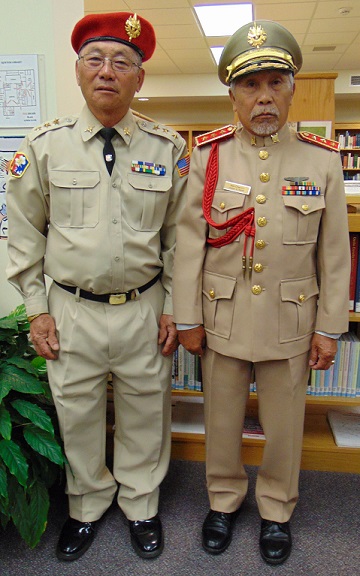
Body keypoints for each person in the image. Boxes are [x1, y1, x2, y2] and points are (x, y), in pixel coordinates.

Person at [6, 11, 188, 562]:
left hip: (143, 306)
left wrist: (175, 307)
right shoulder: (43, 146)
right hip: (70, 309)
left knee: (146, 408)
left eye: (123, 62)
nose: (107, 71)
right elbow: (23, 235)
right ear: (80, 70)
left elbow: (181, 238)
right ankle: (86, 506)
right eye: (96, 60)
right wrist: (36, 310)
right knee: (76, 411)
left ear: (140, 78)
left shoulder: (168, 148)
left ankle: (141, 504)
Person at [173, 20, 350, 565]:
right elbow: (187, 245)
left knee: (285, 426)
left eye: (275, 82)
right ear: (232, 93)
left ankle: (276, 508)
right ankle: (223, 502)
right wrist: (186, 318)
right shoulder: (209, 156)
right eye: (251, 85)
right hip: (223, 316)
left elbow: (334, 253)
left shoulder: (321, 160)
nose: (264, 96)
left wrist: (328, 327)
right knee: (221, 421)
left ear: (293, 87)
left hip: (291, 321)